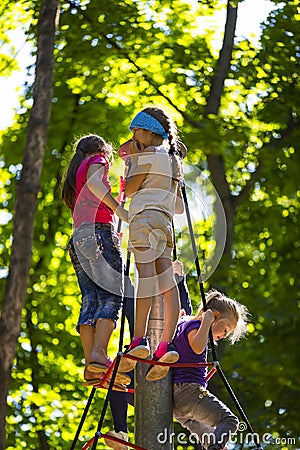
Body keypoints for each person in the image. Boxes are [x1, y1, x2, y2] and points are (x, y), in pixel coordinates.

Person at [117, 106, 185, 382]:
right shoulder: (173, 160)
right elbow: (178, 203)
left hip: (143, 219)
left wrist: (131, 163)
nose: (133, 135)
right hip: (165, 224)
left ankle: (139, 340)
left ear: (148, 131)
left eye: (136, 130)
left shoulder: (145, 154)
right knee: (167, 283)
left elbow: (129, 189)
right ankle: (166, 344)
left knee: (144, 276)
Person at [62, 134, 130, 386]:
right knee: (112, 294)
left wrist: (112, 229)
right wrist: (118, 208)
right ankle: (100, 354)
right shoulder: (97, 160)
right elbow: (96, 185)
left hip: (80, 239)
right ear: (102, 151)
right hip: (98, 232)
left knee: (91, 298)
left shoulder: (76, 171)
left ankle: (91, 362)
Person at [105, 259, 192, 450]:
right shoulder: (139, 313)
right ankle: (121, 432)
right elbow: (128, 296)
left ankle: (209, 435)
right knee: (115, 376)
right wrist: (122, 266)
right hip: (137, 379)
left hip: (171, 384)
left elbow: (185, 307)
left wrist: (179, 278)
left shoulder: (180, 314)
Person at [172, 289, 249, 450]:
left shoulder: (188, 324)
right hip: (189, 391)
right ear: (214, 316)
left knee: (208, 437)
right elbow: (197, 347)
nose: (224, 335)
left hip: (177, 402)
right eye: (225, 330)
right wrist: (206, 322)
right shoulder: (198, 325)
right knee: (229, 421)